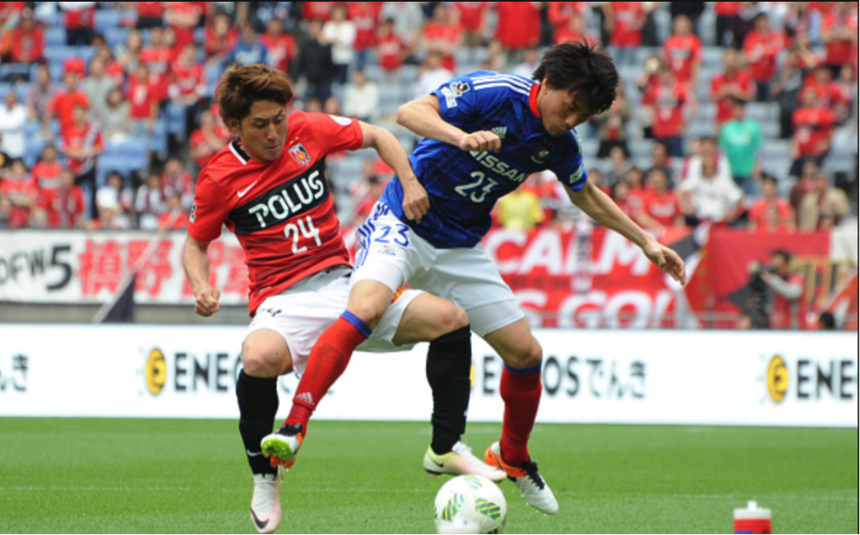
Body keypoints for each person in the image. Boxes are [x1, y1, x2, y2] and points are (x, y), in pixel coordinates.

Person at [264, 42, 686, 516]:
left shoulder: (558, 143)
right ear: (547, 84)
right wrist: (460, 137)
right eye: (570, 107)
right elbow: (409, 112)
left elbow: (584, 194)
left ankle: (514, 455)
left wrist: (646, 241)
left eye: (582, 117)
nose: (571, 121)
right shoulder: (493, 92)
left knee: (527, 353)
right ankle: (294, 427)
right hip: (404, 222)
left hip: (460, 247)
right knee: (364, 308)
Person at [182, 64, 503, 534]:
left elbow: (381, 136)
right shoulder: (218, 179)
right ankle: (264, 478)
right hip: (283, 297)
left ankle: (445, 446)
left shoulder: (307, 130)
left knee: (451, 318)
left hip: (347, 282)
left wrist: (410, 183)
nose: (274, 133)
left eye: (279, 119)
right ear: (233, 126)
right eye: (260, 124)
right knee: (258, 358)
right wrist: (201, 286)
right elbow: (195, 243)